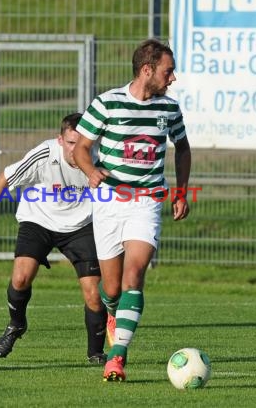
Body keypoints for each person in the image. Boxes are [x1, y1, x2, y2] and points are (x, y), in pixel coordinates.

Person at [73, 39, 192, 381]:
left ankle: (117, 357)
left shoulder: (169, 109)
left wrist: (181, 192)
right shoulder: (107, 103)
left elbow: (183, 149)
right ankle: (114, 314)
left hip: (147, 201)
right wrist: (91, 171)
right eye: (168, 71)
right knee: (110, 290)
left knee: (133, 277)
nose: (173, 78)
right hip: (110, 202)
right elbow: (82, 147)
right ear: (147, 70)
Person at [0, 113, 108, 364]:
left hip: (80, 225)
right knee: (20, 277)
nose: (75, 150)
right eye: (70, 143)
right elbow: (4, 179)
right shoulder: (44, 154)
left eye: (81, 143)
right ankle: (16, 325)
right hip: (38, 219)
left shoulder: (99, 159)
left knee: (93, 293)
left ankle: (96, 353)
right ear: (60, 140)